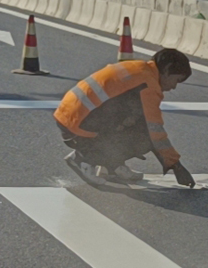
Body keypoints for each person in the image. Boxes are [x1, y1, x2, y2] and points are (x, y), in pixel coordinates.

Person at [55, 48, 196, 187]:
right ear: (167, 70)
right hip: (79, 127)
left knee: (136, 121)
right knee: (144, 138)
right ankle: (83, 159)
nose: (174, 87)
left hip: (69, 117)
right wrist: (176, 166)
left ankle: (111, 166)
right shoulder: (148, 85)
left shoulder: (138, 68)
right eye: (176, 80)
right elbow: (155, 131)